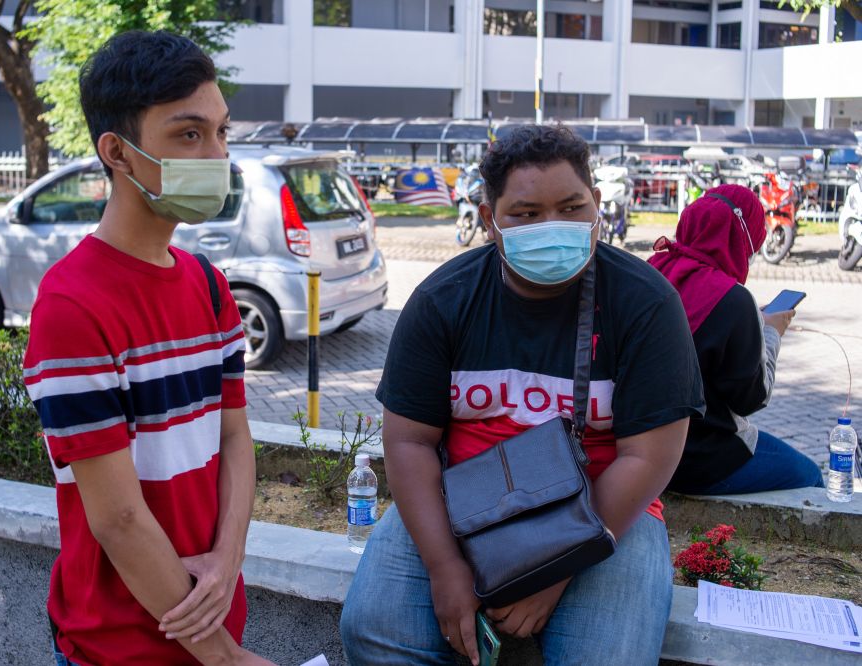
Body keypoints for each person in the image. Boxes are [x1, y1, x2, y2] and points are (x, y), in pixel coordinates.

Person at [340, 125, 705, 665]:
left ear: (598, 205)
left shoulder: (646, 303)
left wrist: (558, 567)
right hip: (458, 497)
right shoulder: (444, 300)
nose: (553, 227)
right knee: (376, 631)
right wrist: (445, 568)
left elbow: (648, 454)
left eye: (572, 206)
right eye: (527, 214)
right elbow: (409, 443)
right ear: (489, 219)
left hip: (601, 505)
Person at [22, 31, 273, 666]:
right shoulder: (73, 306)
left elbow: (235, 438)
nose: (216, 155)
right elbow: (118, 519)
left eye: (220, 133)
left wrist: (227, 558)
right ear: (118, 153)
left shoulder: (210, 284)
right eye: (189, 135)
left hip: (213, 628)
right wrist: (224, 657)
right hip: (120, 648)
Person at [648, 184, 824, 495]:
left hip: (641, 454)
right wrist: (770, 331)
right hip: (700, 460)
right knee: (811, 476)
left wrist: (751, 321)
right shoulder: (733, 300)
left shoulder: (653, 271)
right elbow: (752, 398)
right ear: (743, 238)